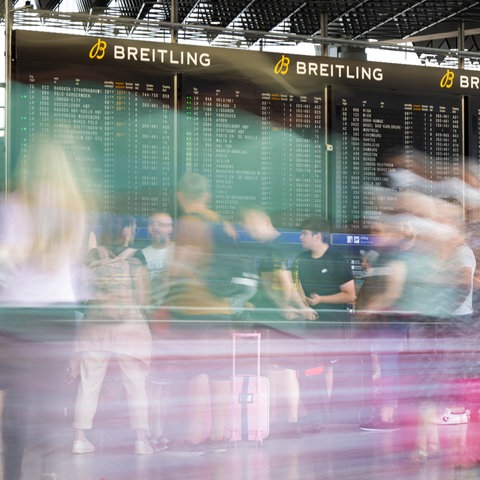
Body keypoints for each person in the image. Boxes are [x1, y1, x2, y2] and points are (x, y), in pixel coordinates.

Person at [0, 141, 86, 480]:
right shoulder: (74, 208)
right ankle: (51, 473)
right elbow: (74, 268)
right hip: (60, 315)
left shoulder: (13, 204)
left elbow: (7, 257)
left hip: (19, 313)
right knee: (51, 402)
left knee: (17, 405)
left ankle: (14, 473)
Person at [72, 213, 154, 455]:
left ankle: (79, 438)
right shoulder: (136, 258)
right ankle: (141, 441)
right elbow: (144, 297)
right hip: (128, 328)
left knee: (89, 383)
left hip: (95, 327)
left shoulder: (92, 256)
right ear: (128, 229)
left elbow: (83, 294)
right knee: (136, 385)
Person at [166, 172, 232, 453]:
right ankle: (218, 436)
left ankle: (194, 436)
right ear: (207, 195)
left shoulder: (189, 224)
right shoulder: (222, 222)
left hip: (193, 307)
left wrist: (166, 286)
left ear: (181, 196)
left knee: (196, 371)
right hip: (221, 307)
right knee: (219, 372)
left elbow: (182, 266)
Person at [236, 204, 312, 437]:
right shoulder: (288, 246)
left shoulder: (272, 249)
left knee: (280, 369)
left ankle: (286, 422)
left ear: (265, 219)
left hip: (276, 320)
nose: (249, 231)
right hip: (286, 319)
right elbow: (294, 281)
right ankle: (287, 419)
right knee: (284, 369)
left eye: (251, 225)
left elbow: (279, 282)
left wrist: (286, 306)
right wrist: (301, 306)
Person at [296, 216, 356, 432]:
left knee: (324, 368)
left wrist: (322, 300)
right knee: (310, 369)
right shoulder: (301, 258)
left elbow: (350, 295)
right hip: (310, 325)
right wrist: (304, 306)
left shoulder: (337, 260)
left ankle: (323, 415)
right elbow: (298, 287)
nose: (300, 237)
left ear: (317, 236)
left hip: (332, 324)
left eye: (304, 233)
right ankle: (314, 413)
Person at [141, 212, 174, 450]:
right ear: (149, 229)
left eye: (163, 224)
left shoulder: (180, 252)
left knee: (167, 383)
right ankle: (154, 431)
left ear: (171, 228)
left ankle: (162, 430)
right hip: (152, 324)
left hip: (175, 324)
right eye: (154, 224)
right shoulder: (141, 255)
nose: (158, 228)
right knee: (153, 382)